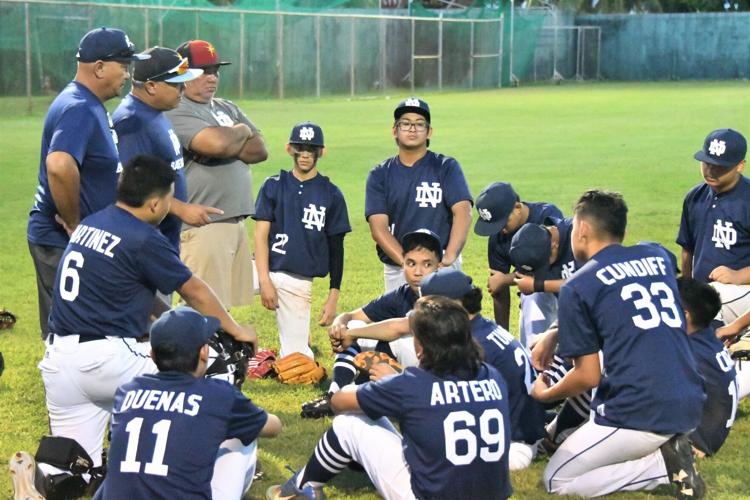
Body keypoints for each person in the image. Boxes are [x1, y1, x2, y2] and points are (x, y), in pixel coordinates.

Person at [31, 155, 256, 498]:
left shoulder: (93, 223)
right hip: (107, 359)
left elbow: (128, 286)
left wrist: (171, 322)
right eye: (168, 198)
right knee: (216, 367)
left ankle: (41, 485)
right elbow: (193, 289)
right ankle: (214, 471)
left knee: (72, 476)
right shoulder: (142, 237)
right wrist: (235, 329)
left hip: (60, 363)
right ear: (154, 203)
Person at [530, 190, 706, 499]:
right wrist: (554, 332)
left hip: (639, 411)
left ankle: (658, 468)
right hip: (690, 400)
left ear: (581, 230)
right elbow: (619, 301)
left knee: (555, 480)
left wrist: (546, 395)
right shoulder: (657, 256)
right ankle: (660, 449)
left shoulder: (578, 285)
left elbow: (587, 377)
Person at [268, 296, 512, 500]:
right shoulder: (493, 377)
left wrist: (387, 383)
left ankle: (301, 487)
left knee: (348, 424)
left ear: (420, 348)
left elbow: (339, 403)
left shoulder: (412, 385)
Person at [335, 268, 546, 470]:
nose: (422, 312)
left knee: (413, 448)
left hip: (509, 446)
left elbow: (441, 405)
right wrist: (353, 334)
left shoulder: (472, 345)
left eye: (428, 305)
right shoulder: (472, 324)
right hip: (505, 426)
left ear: (452, 305)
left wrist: (396, 381)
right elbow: (398, 326)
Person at [27, 27, 147, 340]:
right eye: (124, 65)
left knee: (86, 331)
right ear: (99, 67)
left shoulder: (87, 103)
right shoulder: (79, 106)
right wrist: (74, 223)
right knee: (71, 334)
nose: (127, 74)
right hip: (60, 239)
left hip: (75, 239)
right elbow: (59, 164)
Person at [93, 307, 281, 500]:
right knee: (244, 435)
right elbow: (273, 427)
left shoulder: (127, 391)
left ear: (152, 355)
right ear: (204, 352)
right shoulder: (218, 394)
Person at [167, 39, 268, 309]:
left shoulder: (225, 107)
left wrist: (228, 142)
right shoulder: (176, 109)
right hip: (202, 227)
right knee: (200, 310)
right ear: (183, 75)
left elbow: (260, 150)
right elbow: (218, 144)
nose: (211, 78)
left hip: (235, 223)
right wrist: (240, 134)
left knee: (225, 310)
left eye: (215, 70)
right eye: (203, 71)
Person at [301, 229, 441, 417]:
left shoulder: (445, 294)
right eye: (411, 263)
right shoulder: (403, 293)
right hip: (414, 361)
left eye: (427, 264)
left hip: (438, 372)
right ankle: (335, 394)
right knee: (354, 327)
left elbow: (398, 327)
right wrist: (340, 322)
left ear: (438, 267)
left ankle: (372, 391)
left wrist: (351, 334)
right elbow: (353, 316)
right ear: (403, 265)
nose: (417, 272)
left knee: (386, 336)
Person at [254, 122, 351, 358]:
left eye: (311, 149)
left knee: (296, 359)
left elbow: (336, 250)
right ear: (289, 149)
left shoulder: (331, 194)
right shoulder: (273, 185)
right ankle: (212, 339)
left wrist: (332, 298)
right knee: (220, 284)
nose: (305, 154)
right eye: (300, 148)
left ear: (322, 152)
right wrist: (265, 281)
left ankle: (300, 342)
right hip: (261, 268)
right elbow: (260, 236)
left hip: (298, 280)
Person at [113, 46, 221, 256]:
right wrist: (182, 209)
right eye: (176, 84)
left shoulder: (155, 112)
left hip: (161, 239)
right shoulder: (132, 122)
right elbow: (129, 188)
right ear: (152, 86)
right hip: (141, 246)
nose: (183, 90)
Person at [365, 97, 472, 292]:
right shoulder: (380, 174)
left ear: (429, 131)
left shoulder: (446, 167)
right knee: (402, 320)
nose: (412, 129)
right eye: (405, 123)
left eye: (419, 124)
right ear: (394, 130)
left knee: (445, 321)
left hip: (441, 266)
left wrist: (449, 256)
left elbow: (463, 212)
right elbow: (378, 228)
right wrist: (409, 264)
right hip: (398, 268)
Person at [677, 129, 750, 335]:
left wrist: (739, 275)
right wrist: (687, 286)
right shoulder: (695, 197)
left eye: (720, 167)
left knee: (713, 298)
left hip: (742, 291)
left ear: (740, 165)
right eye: (707, 163)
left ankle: (713, 352)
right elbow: (687, 249)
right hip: (705, 293)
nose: (710, 171)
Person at [474, 182, 563, 346]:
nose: (501, 230)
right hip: (535, 295)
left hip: (564, 288)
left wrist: (505, 279)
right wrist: (504, 339)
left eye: (503, 222)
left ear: (517, 207)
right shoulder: (497, 238)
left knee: (534, 294)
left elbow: (544, 269)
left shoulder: (547, 216)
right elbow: (498, 291)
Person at [677, 277, 738, 457]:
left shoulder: (689, 350)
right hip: (709, 434)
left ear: (686, 314)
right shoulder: (706, 338)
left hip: (695, 442)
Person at [509, 216, 575, 347]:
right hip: (568, 315)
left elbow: (590, 284)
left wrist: (538, 285)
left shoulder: (577, 237)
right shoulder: (530, 244)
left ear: (554, 246)